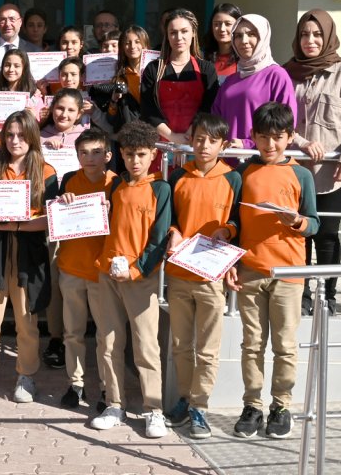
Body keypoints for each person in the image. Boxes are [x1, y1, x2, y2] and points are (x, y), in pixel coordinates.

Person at [227, 102, 320, 440]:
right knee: (251, 344)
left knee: (285, 344)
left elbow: (315, 223)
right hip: (251, 270)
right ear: (252, 137)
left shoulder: (302, 174)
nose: (270, 145)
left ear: (290, 137)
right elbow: (234, 222)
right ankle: (252, 404)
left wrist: (296, 220)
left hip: (289, 273)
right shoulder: (242, 173)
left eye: (278, 138)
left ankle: (281, 405)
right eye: (263, 138)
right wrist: (232, 263)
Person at [283, 9, 341, 315]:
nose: (310, 40)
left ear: (328, 37)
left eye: (317, 34)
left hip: (332, 174)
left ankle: (327, 296)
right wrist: (300, 143)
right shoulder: (286, 73)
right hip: (294, 172)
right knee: (299, 233)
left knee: (326, 235)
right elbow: (281, 122)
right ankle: (302, 294)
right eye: (304, 34)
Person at [0, 110, 57, 402]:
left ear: (32, 136)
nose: (15, 140)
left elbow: (51, 219)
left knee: (26, 318)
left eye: (21, 135)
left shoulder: (46, 171)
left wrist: (17, 223)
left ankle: (26, 375)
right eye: (10, 135)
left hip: (29, 249)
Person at [87, 121, 171, 438]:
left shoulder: (161, 188)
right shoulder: (116, 186)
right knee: (107, 342)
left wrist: (136, 270)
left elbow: (159, 238)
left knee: (146, 346)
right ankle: (114, 404)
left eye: (141, 154)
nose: (134, 161)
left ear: (153, 155)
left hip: (140, 278)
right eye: (129, 154)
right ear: (120, 154)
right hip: (107, 272)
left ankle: (154, 410)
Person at [163, 113, 241, 439]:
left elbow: (240, 221)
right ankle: (183, 397)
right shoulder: (178, 175)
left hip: (212, 275)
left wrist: (227, 230)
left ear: (223, 144)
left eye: (211, 140)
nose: (203, 145)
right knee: (181, 344)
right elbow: (168, 219)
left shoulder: (234, 178)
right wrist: (174, 232)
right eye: (198, 138)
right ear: (191, 140)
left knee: (207, 348)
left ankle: (200, 407)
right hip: (180, 272)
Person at [52, 127, 115, 408]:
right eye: (84, 153)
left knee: (105, 336)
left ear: (108, 155)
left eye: (97, 152)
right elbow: (52, 216)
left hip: (102, 272)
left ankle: (105, 389)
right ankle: (75, 385)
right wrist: (60, 202)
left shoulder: (117, 184)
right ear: (77, 156)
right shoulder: (67, 181)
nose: (90, 158)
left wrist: (115, 208)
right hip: (72, 268)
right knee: (72, 333)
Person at [210, 14, 297, 149]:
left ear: (263, 37)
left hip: (259, 160)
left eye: (251, 34)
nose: (243, 41)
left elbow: (286, 124)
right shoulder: (230, 80)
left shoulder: (276, 75)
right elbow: (215, 121)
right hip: (226, 161)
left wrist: (248, 144)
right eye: (238, 35)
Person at [141, 9, 218, 145]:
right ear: (167, 35)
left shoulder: (206, 69)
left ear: (193, 33)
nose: (179, 37)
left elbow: (208, 106)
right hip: (161, 144)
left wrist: (188, 136)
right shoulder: (153, 69)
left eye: (184, 31)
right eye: (173, 32)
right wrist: (173, 137)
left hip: (196, 142)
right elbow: (149, 110)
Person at [0, 4, 42, 89]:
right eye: (3, 19)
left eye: (12, 19)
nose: (7, 24)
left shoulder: (35, 51)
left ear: (20, 22)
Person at [101, 25, 149, 135]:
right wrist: (114, 101)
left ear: (145, 44)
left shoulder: (156, 71)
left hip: (154, 132)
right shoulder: (118, 76)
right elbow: (111, 118)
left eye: (137, 42)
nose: (132, 46)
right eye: (127, 43)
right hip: (128, 135)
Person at [207, 3, 243, 83]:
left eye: (228, 24)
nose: (222, 29)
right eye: (217, 24)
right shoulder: (203, 58)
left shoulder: (245, 61)